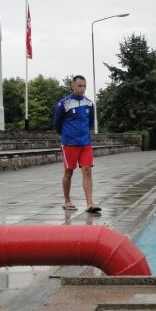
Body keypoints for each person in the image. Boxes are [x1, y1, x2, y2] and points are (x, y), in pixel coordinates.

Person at [53, 75, 101, 213]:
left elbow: (90, 122)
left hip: (85, 143)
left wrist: (84, 134)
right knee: (69, 172)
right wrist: (67, 135)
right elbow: (57, 124)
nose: (83, 88)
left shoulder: (89, 104)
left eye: (84, 86)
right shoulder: (64, 104)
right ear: (73, 86)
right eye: (80, 86)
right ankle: (67, 201)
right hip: (69, 143)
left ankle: (90, 203)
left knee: (87, 171)